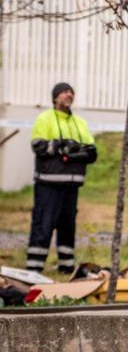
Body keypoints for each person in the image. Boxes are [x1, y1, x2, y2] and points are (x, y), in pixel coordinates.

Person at [27, 83, 96, 273]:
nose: (69, 94)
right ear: (55, 98)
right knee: (43, 224)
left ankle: (66, 267)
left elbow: (91, 151)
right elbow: (39, 147)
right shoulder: (45, 118)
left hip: (72, 184)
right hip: (48, 183)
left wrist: (78, 151)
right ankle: (34, 268)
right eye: (64, 92)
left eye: (71, 92)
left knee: (68, 227)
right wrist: (61, 145)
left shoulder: (80, 122)